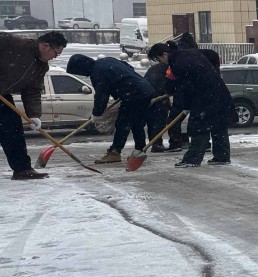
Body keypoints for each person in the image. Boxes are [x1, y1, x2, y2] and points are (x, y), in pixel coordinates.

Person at [0, 29, 66, 181]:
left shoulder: (41, 66)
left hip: (2, 95)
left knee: (12, 128)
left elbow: (33, 90)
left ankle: (22, 169)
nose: (55, 57)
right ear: (45, 46)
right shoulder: (14, 44)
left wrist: (34, 115)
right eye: (56, 54)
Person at [67, 53, 156, 165]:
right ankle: (139, 150)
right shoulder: (106, 61)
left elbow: (101, 96)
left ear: (82, 68)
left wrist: (96, 114)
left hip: (134, 94)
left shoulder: (97, 72)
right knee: (136, 122)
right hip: (144, 89)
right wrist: (123, 85)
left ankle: (115, 152)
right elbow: (128, 67)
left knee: (123, 124)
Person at [165, 33, 233, 167]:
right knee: (218, 127)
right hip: (217, 94)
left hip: (203, 97)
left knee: (199, 127)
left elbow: (185, 85)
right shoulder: (207, 54)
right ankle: (222, 157)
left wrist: (186, 104)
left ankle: (192, 159)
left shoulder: (182, 60)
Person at [144, 42, 182, 152]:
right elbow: (168, 85)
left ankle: (157, 144)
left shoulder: (162, 67)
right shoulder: (169, 65)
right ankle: (159, 144)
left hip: (152, 94)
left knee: (155, 121)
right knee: (160, 120)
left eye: (158, 58)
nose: (158, 61)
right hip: (156, 95)